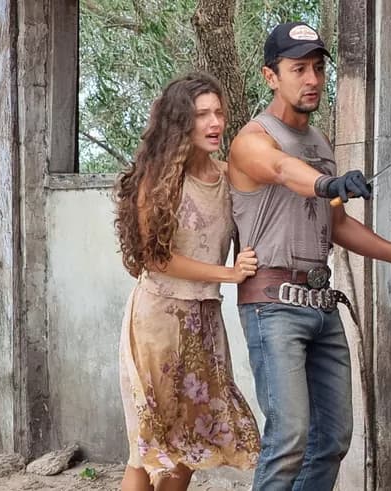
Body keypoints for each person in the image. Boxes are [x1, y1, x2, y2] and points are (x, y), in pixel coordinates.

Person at [227, 22, 391, 490]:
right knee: (289, 437)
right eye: (298, 69)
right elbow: (283, 170)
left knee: (333, 438)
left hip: (321, 308)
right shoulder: (252, 140)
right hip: (272, 307)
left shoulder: (320, 143)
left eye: (318, 68)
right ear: (270, 76)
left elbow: (337, 224)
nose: (312, 79)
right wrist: (331, 183)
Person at [114, 73, 261, 491]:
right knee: (148, 449)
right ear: (180, 122)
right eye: (201, 115)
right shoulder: (158, 179)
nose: (215, 123)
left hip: (204, 322)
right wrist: (228, 274)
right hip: (158, 320)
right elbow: (155, 257)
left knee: (191, 445)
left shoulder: (228, 177)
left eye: (218, 112)